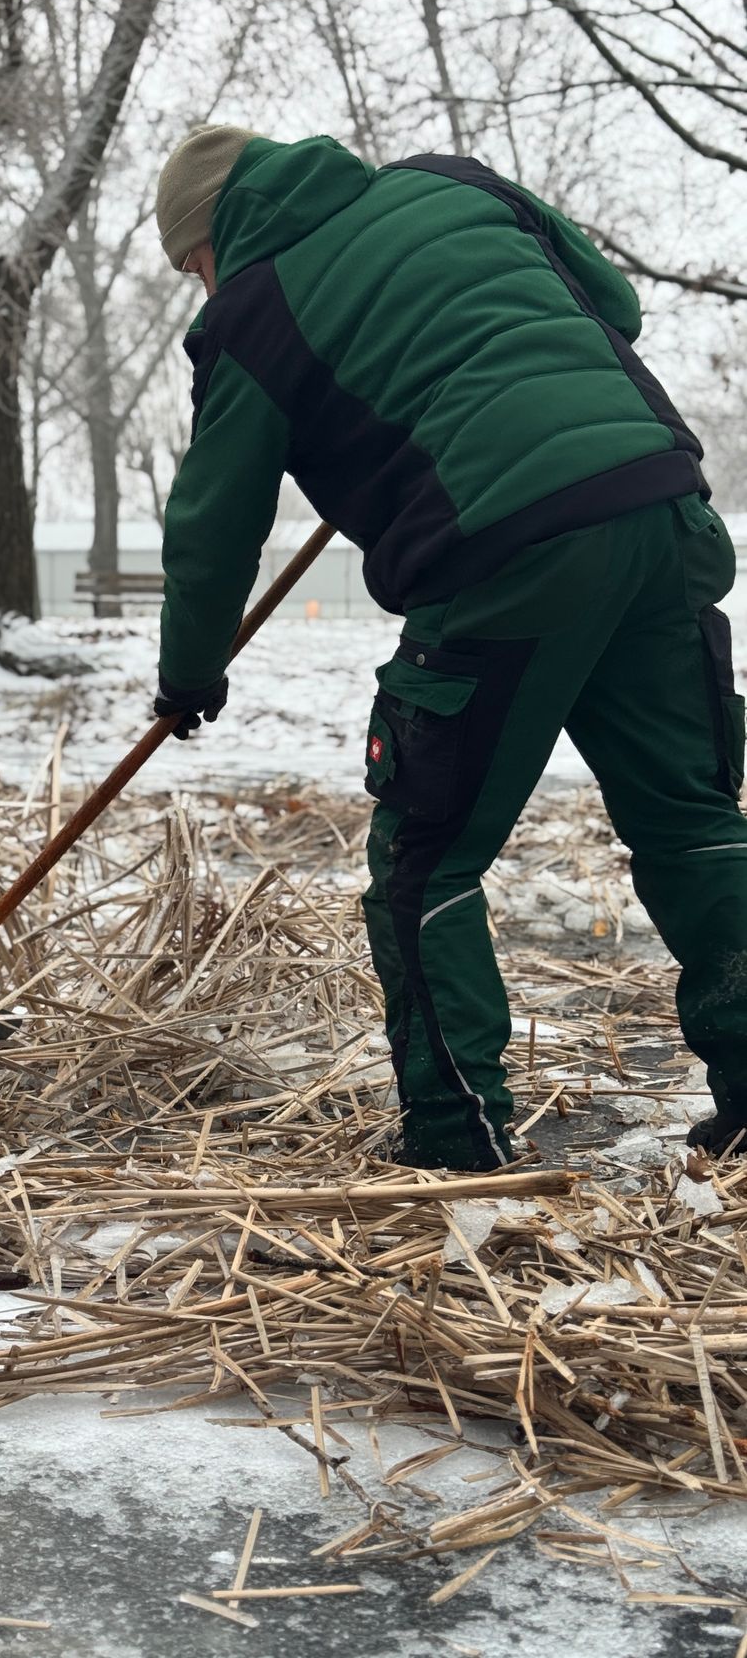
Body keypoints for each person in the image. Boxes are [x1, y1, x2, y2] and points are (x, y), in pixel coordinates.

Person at [150, 125, 747, 1172]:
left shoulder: (252, 316)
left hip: (507, 552)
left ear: (216, 237)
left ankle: (453, 1138)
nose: (200, 289)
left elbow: (213, 526)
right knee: (694, 823)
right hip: (660, 507)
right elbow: (614, 307)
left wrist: (190, 674)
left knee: (423, 866)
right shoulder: (455, 184)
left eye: (191, 268)